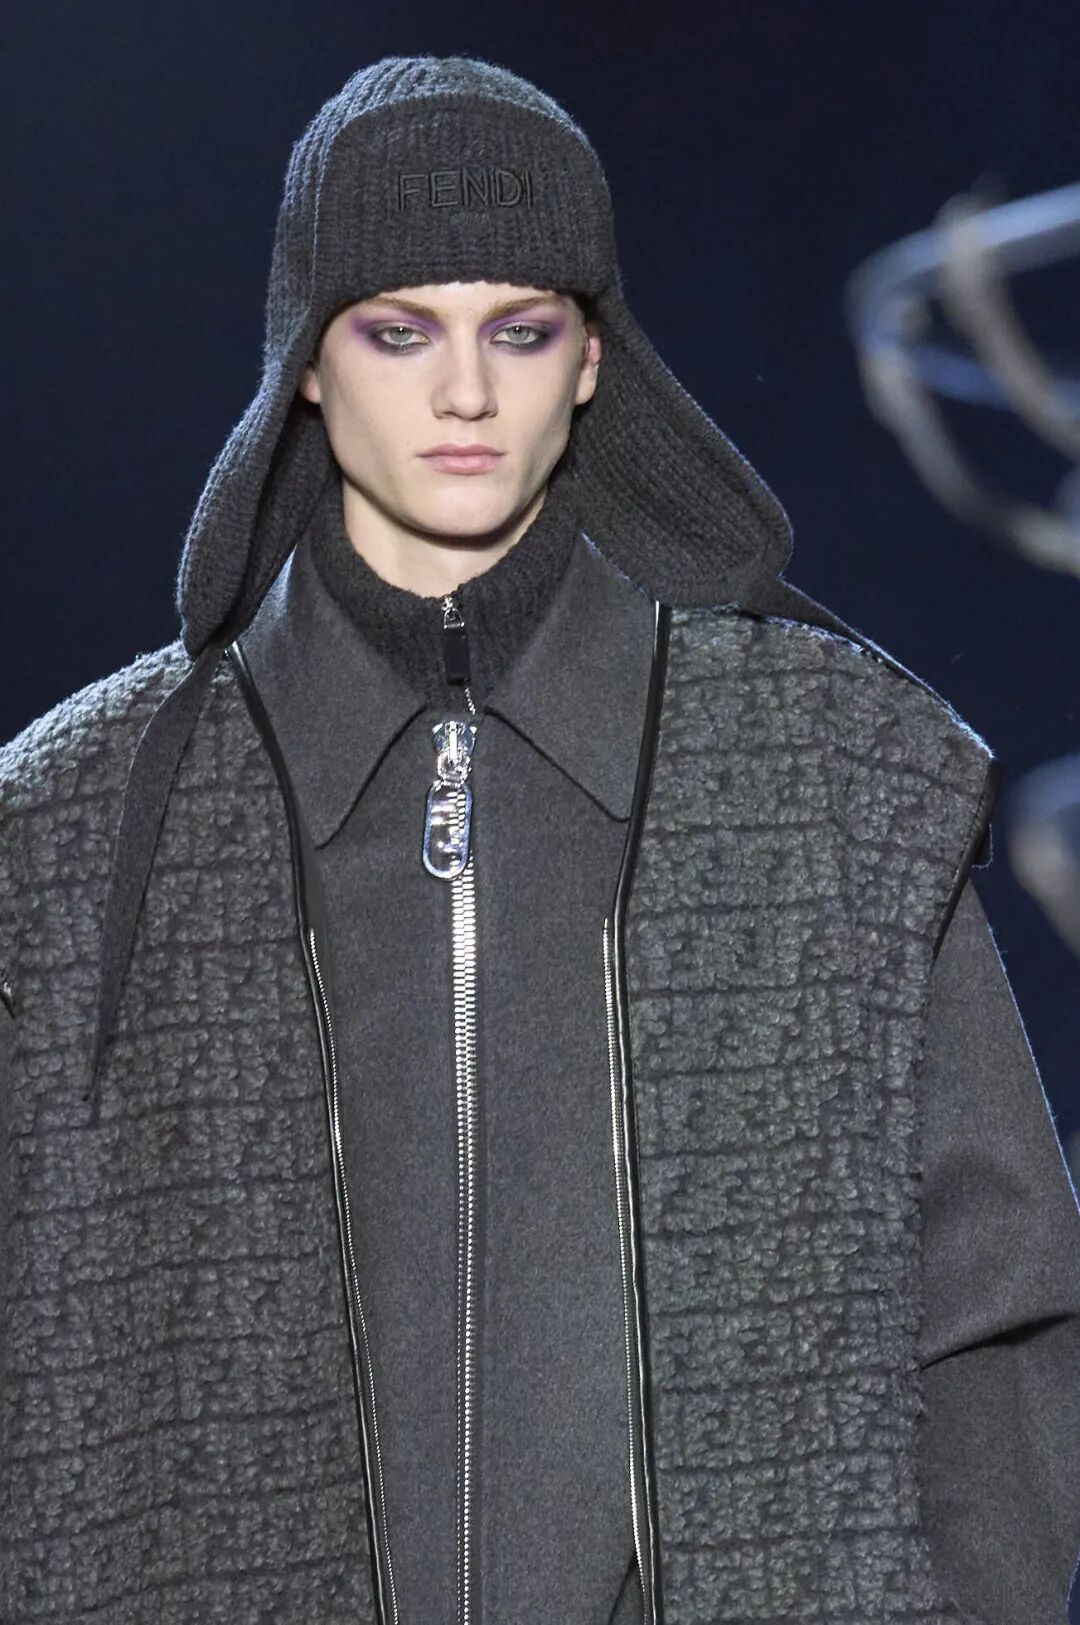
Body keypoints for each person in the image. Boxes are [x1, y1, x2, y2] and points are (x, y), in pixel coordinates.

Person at [1, 52, 1078, 1625]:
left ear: (591, 358)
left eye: (521, 327)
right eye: (397, 329)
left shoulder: (839, 773)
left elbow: (1002, 1305)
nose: (465, 392)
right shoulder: (72, 825)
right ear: (305, 363)